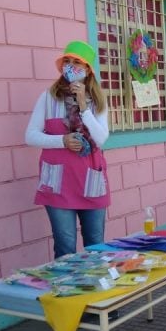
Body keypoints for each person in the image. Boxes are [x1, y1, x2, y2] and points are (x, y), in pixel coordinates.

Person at [25, 40, 110, 258]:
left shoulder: (98, 101)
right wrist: (61, 141)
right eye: (68, 61)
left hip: (90, 180)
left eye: (77, 63)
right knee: (65, 248)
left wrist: (83, 105)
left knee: (95, 246)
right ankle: (66, 290)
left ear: (87, 70)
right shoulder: (48, 97)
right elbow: (30, 136)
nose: (71, 66)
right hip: (58, 184)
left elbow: (100, 139)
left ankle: (95, 291)